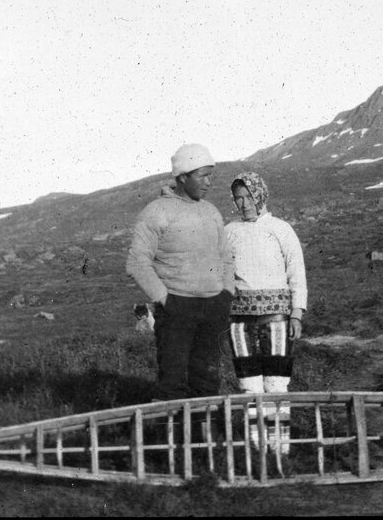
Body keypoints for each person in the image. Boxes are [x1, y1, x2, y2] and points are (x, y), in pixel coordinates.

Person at [125, 143, 235, 403]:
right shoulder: (157, 212)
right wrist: (166, 300)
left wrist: (227, 293)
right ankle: (172, 429)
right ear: (183, 177)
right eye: (202, 176)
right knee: (172, 383)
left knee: (207, 382)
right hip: (176, 308)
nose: (208, 182)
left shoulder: (211, 211)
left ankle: (203, 430)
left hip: (214, 307)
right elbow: (136, 262)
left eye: (210, 175)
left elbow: (225, 257)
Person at [224, 171, 307, 455]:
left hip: (277, 320)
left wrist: (296, 313)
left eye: (249, 197)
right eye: (238, 198)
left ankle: (280, 449)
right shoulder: (229, 232)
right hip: (240, 322)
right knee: (250, 387)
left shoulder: (280, 229)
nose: (244, 204)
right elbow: (221, 273)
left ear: (261, 195)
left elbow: (296, 271)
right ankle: (257, 450)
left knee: (276, 384)